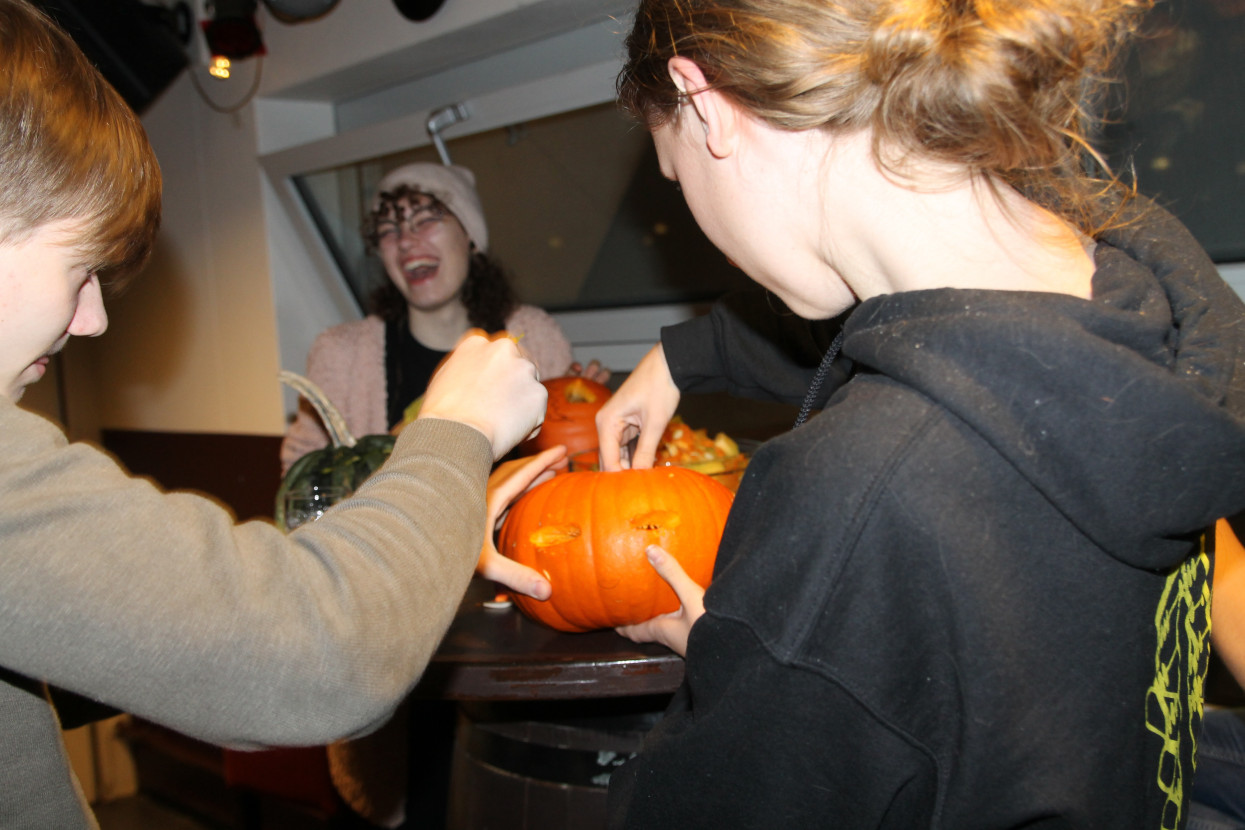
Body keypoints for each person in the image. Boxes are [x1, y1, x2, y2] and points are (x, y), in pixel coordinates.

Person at [592, 0, 1245, 826]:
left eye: (678, 177)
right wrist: (813, 665)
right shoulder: (1155, 296)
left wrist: (766, 659)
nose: (710, 237)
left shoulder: (859, 488)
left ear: (701, 103)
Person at [0, 2, 562, 826]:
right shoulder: (347, 347)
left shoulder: (532, 334)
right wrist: (460, 431)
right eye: (79, 266)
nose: (94, 320)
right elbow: (322, 653)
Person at [279, 161, 609, 473]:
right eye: (390, 230)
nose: (406, 241)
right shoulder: (341, 353)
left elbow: (567, 465)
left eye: (425, 221)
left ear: (470, 237)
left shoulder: (537, 337)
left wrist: (580, 414)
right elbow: (304, 476)